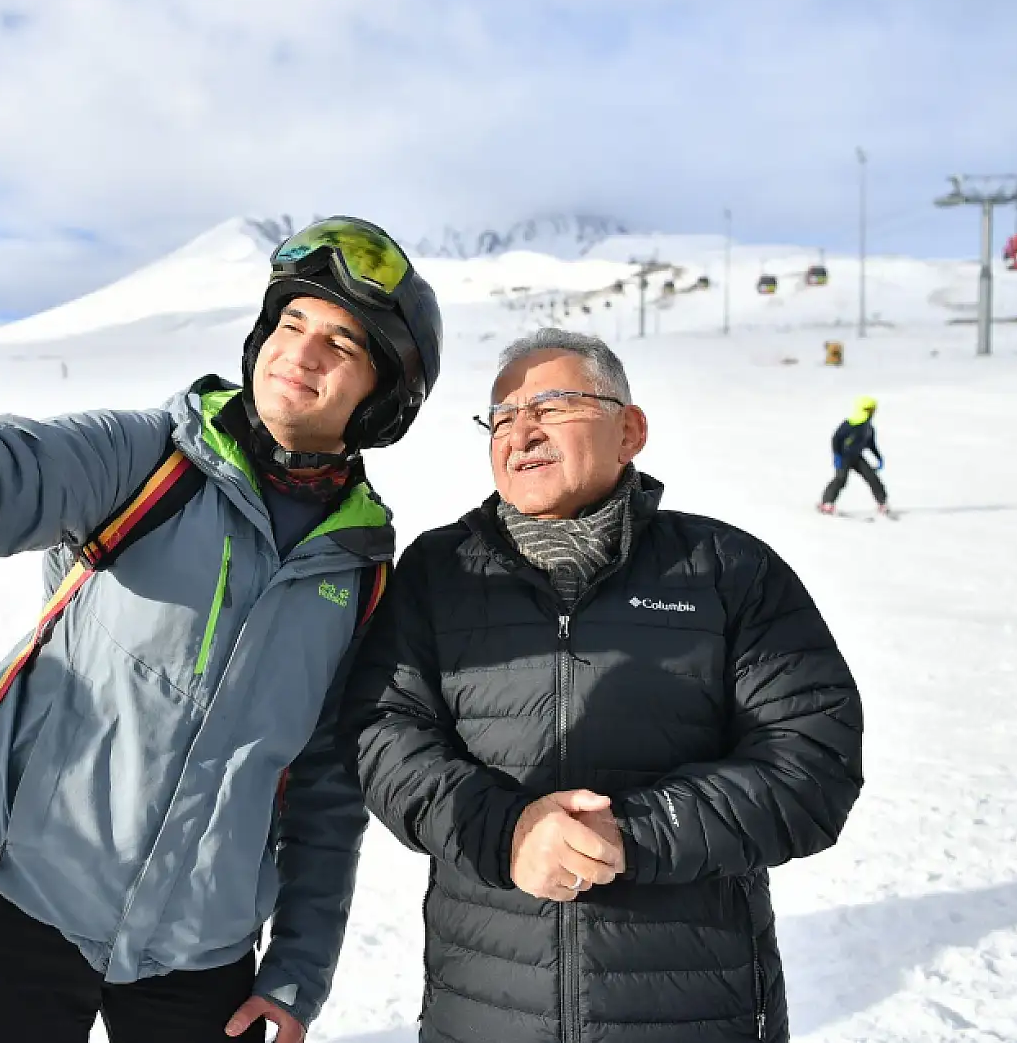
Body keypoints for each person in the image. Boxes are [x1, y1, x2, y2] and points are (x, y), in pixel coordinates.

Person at [0, 200, 443, 1043]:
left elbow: (324, 790)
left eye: (341, 344)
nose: (298, 352)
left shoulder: (359, 569)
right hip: (24, 896)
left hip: (202, 950)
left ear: (385, 398)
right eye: (292, 320)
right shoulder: (149, 460)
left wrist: (298, 970)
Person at [345, 329, 863, 1043]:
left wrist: (634, 834)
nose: (520, 430)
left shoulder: (726, 570)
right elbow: (383, 733)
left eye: (551, 406)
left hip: (692, 1010)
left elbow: (813, 763)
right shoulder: (439, 574)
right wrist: (509, 833)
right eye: (500, 417)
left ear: (630, 430)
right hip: (487, 1007)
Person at [819, 395, 889, 516]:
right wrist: (837, 455)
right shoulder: (850, 424)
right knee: (841, 479)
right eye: (869, 410)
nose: (872, 413)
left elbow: (871, 444)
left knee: (872, 478)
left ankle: (882, 503)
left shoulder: (868, 428)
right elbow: (836, 439)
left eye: (873, 410)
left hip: (857, 457)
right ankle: (827, 503)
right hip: (844, 457)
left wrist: (878, 456)